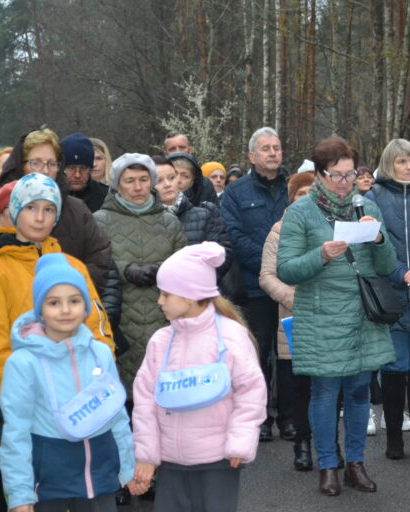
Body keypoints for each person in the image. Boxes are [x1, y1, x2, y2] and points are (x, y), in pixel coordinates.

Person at [276, 137, 396, 496]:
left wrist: (378, 240)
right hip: (321, 315)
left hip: (362, 314)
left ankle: (356, 464)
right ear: (318, 174)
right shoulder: (300, 212)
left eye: (351, 175)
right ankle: (328, 465)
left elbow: (387, 266)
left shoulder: (365, 206)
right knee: (326, 392)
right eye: (337, 176)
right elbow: (286, 269)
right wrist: (321, 256)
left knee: (360, 392)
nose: (346, 183)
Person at [0, 175, 115, 511]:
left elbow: (98, 326)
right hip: (33, 405)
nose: (39, 217)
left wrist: (100, 378)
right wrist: (26, 392)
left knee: (88, 490)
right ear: (14, 211)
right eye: (30, 207)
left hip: (84, 401)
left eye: (49, 209)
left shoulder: (72, 264)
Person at [131, 242, 266, 512]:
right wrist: (147, 455)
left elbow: (251, 392)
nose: (159, 301)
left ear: (190, 296)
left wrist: (240, 442)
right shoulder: (161, 341)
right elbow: (145, 401)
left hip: (219, 461)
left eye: (165, 294)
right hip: (171, 464)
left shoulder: (230, 336)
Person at [0, 253, 134, 512]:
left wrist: (127, 467)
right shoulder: (23, 363)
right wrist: (20, 493)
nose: (65, 310)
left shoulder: (101, 352)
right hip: (50, 485)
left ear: (85, 307)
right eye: (53, 302)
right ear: (40, 309)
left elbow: (117, 414)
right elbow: (16, 432)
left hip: (101, 479)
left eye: (74, 300)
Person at [365, 139, 410, 460]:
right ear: (388, 164)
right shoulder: (373, 198)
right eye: (401, 162)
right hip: (391, 296)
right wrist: (402, 274)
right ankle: (394, 437)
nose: (409, 167)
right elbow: (372, 246)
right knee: (395, 371)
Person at [93, 153, 187, 399]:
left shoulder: (170, 222)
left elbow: (184, 264)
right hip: (121, 319)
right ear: (117, 185)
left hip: (163, 316)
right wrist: (125, 269)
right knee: (125, 398)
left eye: (144, 179)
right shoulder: (99, 221)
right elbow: (94, 264)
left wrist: (162, 269)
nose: (138, 187)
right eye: (130, 180)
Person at [222, 126, 291, 442]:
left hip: (292, 289)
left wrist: (287, 268)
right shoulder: (236, 193)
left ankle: (289, 418)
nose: (273, 153)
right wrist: (270, 264)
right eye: (266, 148)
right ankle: (259, 417)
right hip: (254, 288)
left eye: (276, 147)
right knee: (257, 354)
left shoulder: (294, 188)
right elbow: (234, 237)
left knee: (289, 356)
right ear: (251, 156)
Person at [0, 128, 112, 294]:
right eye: (35, 162)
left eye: (52, 164)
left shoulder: (76, 210)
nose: (45, 170)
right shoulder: (1, 208)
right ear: (20, 165)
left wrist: (69, 294)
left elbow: (99, 259)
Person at [260, 171, 320, 472]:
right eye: (301, 192)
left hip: (329, 317)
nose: (307, 196)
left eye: (312, 190)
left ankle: (329, 447)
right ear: (291, 197)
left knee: (327, 387)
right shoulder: (279, 231)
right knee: (299, 387)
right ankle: (302, 445)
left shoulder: (330, 225)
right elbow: (267, 276)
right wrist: (295, 298)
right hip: (294, 318)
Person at [152, 156, 232, 279]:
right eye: (159, 180)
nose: (168, 184)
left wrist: (197, 283)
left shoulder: (205, 215)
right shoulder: (144, 218)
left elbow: (222, 256)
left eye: (171, 178)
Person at [61, 133, 109, 213]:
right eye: (71, 168)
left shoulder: (105, 198)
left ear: (90, 169)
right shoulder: (51, 195)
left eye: (83, 168)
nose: (77, 175)